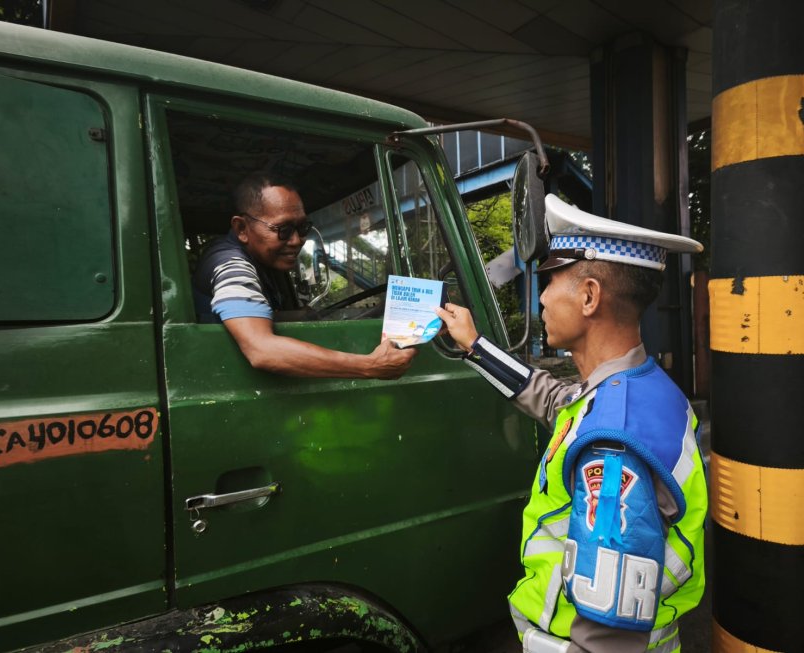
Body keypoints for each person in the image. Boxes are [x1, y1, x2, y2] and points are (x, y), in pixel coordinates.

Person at [435, 195, 707, 653]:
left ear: (588, 296)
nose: (540, 297)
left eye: (549, 281)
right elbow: (557, 402)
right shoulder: (639, 388)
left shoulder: (613, 444)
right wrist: (475, 346)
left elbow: (607, 636)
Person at [193, 173, 416, 379]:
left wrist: (299, 316)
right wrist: (370, 365)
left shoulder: (261, 263)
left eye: (302, 228)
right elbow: (261, 349)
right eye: (283, 229)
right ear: (242, 228)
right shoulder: (231, 265)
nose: (297, 241)